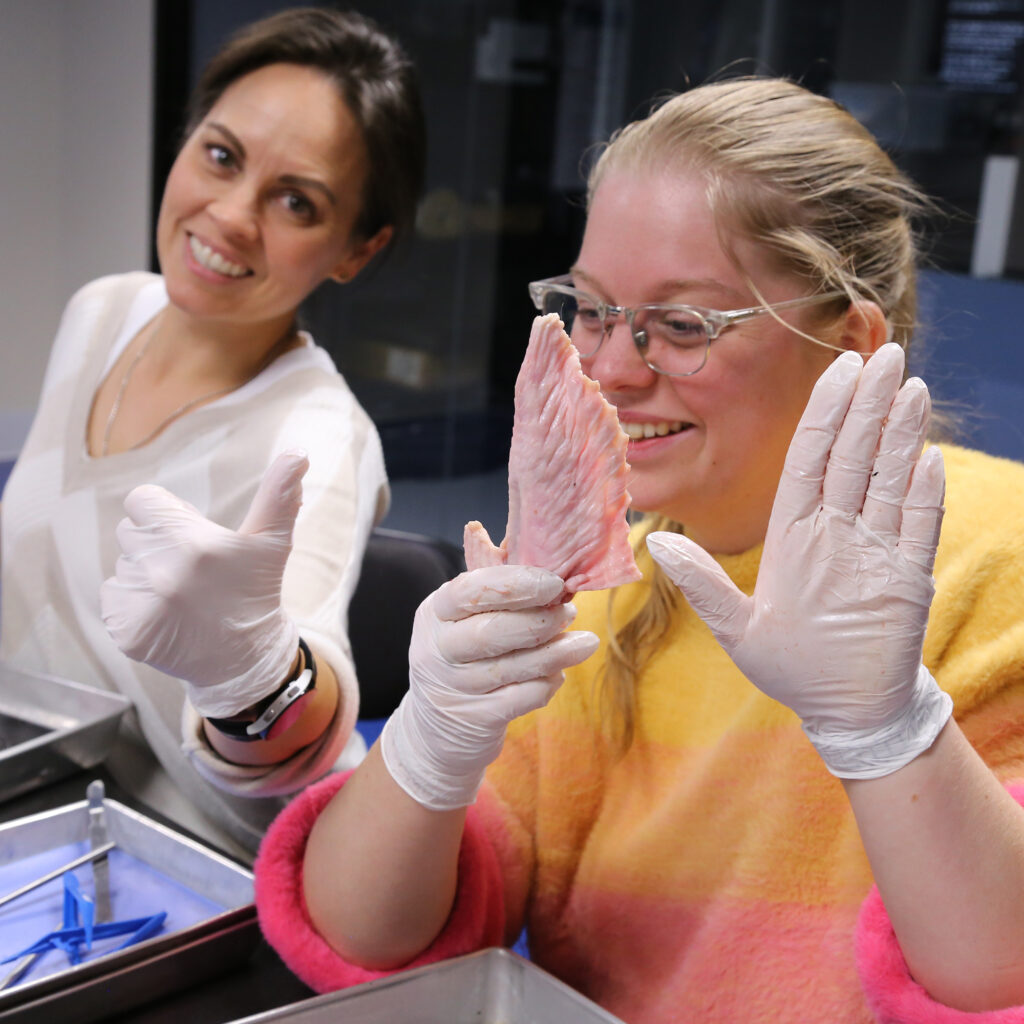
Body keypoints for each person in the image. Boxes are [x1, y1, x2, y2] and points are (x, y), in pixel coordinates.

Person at [253, 77, 1024, 1021]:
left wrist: (886, 732)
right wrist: (431, 743)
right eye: (591, 307)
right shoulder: (601, 591)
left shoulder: (1002, 562)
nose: (610, 369)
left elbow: (1001, 978)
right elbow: (369, 936)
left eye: (685, 324)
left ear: (850, 345)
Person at [0, 7, 426, 860]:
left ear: (355, 250)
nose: (231, 216)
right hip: (36, 796)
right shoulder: (104, 311)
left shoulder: (316, 441)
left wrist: (254, 674)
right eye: (221, 156)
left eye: (296, 201)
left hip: (185, 863)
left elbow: (303, 705)